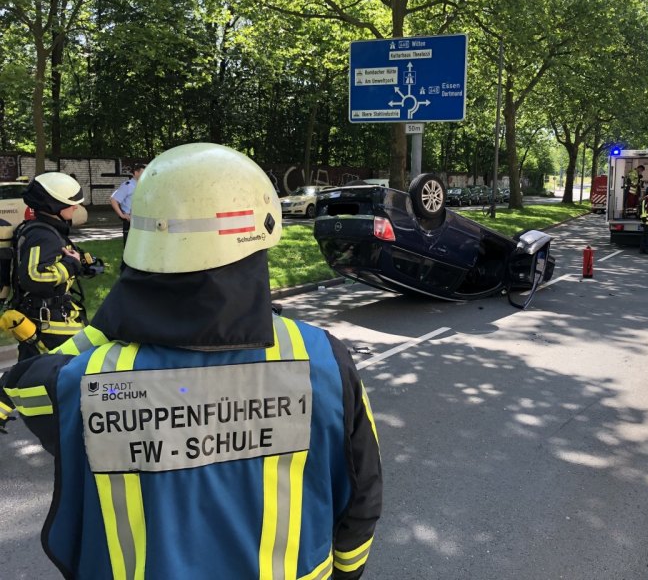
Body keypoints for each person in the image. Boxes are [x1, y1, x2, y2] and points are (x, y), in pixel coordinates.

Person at [0, 143, 382, 579]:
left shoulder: (84, 382)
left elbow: (23, 384)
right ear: (261, 234)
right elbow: (362, 493)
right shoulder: (322, 359)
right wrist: (347, 572)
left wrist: (108, 322)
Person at [7, 172, 91, 360]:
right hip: (51, 328)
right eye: (71, 203)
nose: (75, 207)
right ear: (55, 205)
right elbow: (33, 276)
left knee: (33, 371)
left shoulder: (45, 229)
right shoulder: (44, 236)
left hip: (43, 321)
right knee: (59, 372)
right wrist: (71, 265)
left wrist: (80, 262)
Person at [110, 162, 146, 247]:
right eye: (143, 172)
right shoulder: (128, 185)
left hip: (142, 218)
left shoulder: (144, 186)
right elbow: (114, 200)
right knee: (130, 246)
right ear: (136, 173)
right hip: (131, 220)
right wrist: (122, 215)